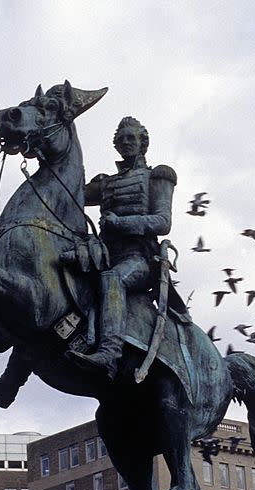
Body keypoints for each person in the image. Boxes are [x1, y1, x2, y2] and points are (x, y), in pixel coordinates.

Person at [66, 116, 177, 379]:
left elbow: (163, 222)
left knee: (113, 279)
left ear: (143, 143)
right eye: (121, 138)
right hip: (104, 255)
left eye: (131, 138)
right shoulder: (106, 183)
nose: (125, 142)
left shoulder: (157, 176)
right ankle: (12, 378)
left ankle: (110, 353)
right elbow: (71, 195)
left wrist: (121, 222)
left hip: (138, 259)